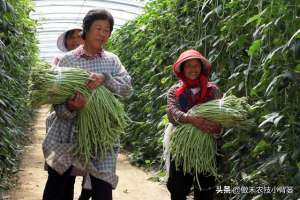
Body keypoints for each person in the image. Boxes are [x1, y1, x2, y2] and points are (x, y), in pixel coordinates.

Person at [42, 9, 132, 200]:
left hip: (101, 135)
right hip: (67, 134)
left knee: (102, 189)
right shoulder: (68, 60)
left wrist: (105, 79)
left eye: (107, 30)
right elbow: (57, 106)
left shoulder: (112, 61)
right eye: (98, 28)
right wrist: (72, 107)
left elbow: (126, 89)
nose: (102, 34)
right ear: (86, 30)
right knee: (57, 187)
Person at [165, 49, 222, 200]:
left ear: (202, 68)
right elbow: (172, 114)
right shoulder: (175, 90)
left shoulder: (213, 90)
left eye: (196, 65)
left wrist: (213, 126)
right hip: (182, 147)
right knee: (177, 188)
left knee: (205, 189)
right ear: (182, 69)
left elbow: (221, 117)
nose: (193, 69)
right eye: (188, 66)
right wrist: (191, 119)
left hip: (207, 147)